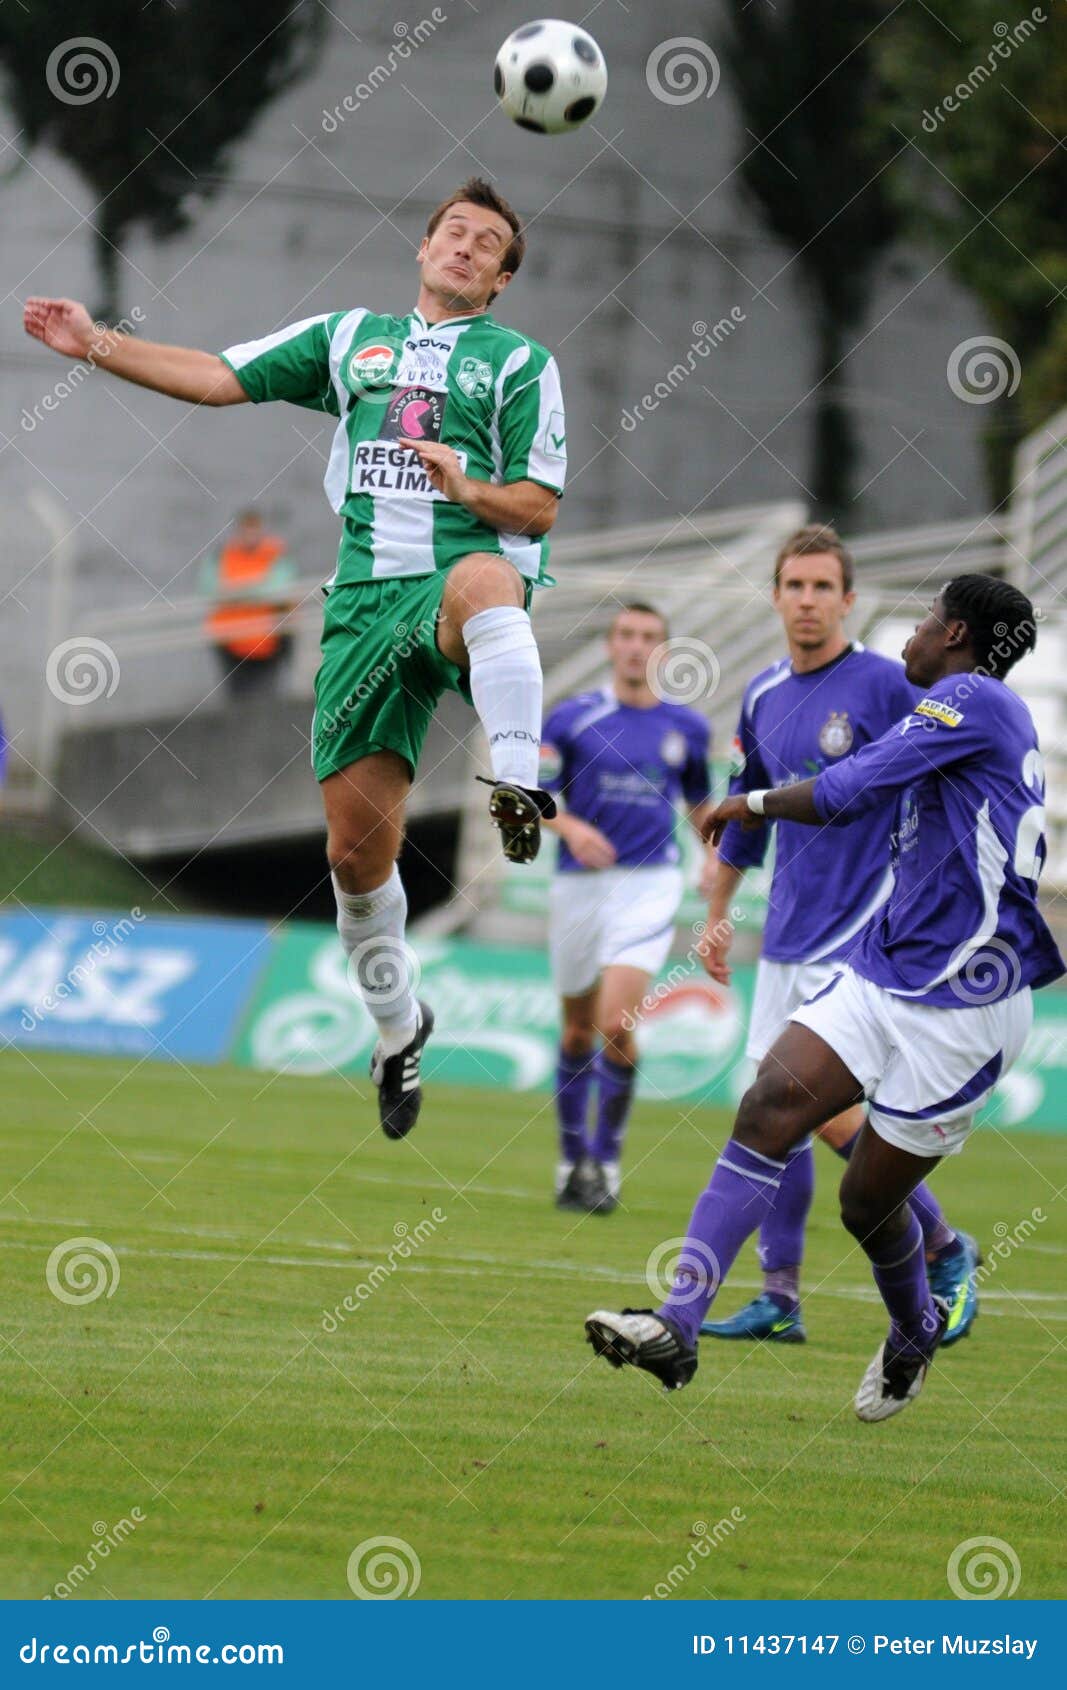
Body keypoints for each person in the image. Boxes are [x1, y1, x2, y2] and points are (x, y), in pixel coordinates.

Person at [25, 177, 565, 1141]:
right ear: (423, 249)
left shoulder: (518, 364)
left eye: (488, 244)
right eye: (453, 231)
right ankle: (398, 1027)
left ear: (502, 280)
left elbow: (537, 508)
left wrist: (466, 485)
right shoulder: (348, 339)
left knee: (487, 581)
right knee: (356, 861)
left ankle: (518, 782)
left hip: (453, 577)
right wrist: (93, 344)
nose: (465, 247)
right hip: (361, 611)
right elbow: (216, 376)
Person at [584, 575, 1062, 1421]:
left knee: (865, 1204)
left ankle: (912, 1327)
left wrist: (747, 802)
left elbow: (849, 789)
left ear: (954, 631)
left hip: (964, 1009)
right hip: (885, 972)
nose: (908, 635)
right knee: (768, 1106)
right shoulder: (973, 705)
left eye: (920, 620)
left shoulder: (972, 698)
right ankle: (678, 1325)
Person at [699, 525, 979, 1346]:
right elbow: (743, 811)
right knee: (767, 1117)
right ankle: (779, 1299)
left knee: (813, 1114)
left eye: (824, 587)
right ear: (777, 595)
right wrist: (716, 912)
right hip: (787, 931)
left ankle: (941, 1244)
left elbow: (944, 778)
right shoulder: (760, 695)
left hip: (862, 933)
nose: (809, 601)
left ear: (847, 599)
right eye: (794, 586)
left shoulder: (891, 687)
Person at [541, 603, 714, 1214]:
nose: (636, 646)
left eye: (649, 637)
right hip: (578, 886)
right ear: (610, 645)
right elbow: (529, 797)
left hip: (649, 884)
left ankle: (604, 1160)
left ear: (663, 650)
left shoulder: (685, 729)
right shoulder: (572, 718)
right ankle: (570, 1161)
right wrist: (571, 830)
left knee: (615, 1024)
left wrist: (714, 860)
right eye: (626, 635)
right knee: (575, 1030)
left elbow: (698, 804)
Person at [200, 509, 297, 695]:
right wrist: (257, 588)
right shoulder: (220, 555)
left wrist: (237, 590)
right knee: (237, 698)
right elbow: (209, 589)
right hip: (231, 642)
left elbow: (280, 588)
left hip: (270, 641)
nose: (250, 535)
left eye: (254, 528)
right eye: (246, 529)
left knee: (269, 695)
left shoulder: (276, 554)